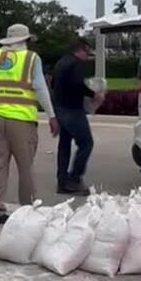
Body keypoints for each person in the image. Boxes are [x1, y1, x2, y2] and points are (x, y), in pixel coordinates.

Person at [0, 24, 59, 227]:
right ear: (26, 40)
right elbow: (40, 88)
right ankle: (27, 211)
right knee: (26, 168)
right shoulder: (31, 58)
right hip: (22, 122)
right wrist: (51, 116)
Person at [51, 39, 103, 196]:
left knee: (64, 144)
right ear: (81, 50)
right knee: (86, 143)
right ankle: (74, 179)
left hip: (60, 108)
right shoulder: (76, 64)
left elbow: (53, 84)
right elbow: (77, 85)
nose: (87, 57)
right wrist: (94, 94)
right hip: (72, 110)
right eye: (87, 53)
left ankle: (62, 181)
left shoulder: (61, 62)